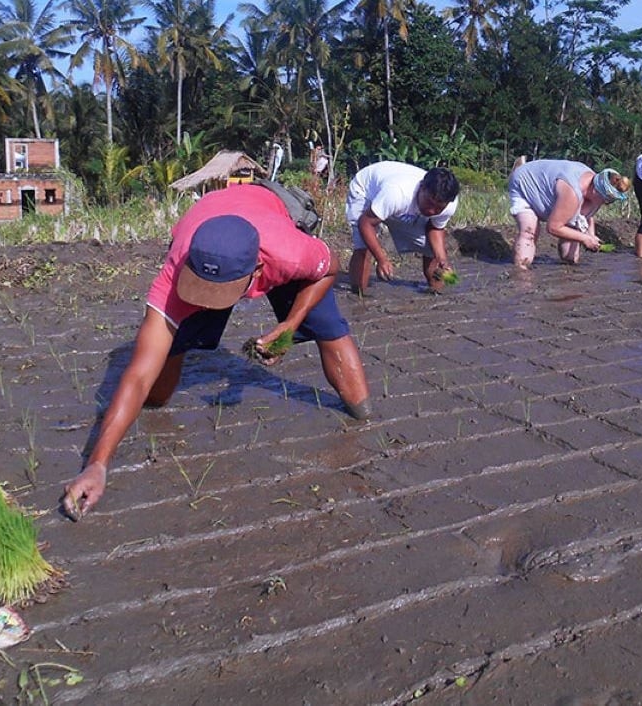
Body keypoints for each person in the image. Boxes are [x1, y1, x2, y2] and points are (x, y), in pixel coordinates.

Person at [60, 184, 371, 520]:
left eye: (217, 293)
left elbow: (330, 267)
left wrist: (292, 323)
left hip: (266, 220)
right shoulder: (177, 272)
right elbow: (136, 377)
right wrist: (98, 464)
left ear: (257, 273)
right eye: (201, 290)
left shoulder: (291, 253)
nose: (206, 299)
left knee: (335, 344)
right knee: (156, 392)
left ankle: (363, 414)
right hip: (210, 225)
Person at [345, 162, 460, 294]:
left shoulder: (449, 204)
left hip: (396, 203)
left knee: (431, 247)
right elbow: (365, 223)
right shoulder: (397, 193)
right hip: (366, 191)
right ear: (421, 187)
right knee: (363, 247)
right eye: (429, 203)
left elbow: (435, 228)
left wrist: (442, 259)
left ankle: (437, 291)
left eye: (439, 208)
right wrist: (381, 258)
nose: (432, 211)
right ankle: (357, 294)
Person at [508, 159, 631, 268]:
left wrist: (591, 234)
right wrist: (584, 238)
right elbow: (553, 227)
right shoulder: (572, 191)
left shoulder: (595, 186)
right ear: (596, 190)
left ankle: (569, 268)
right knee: (530, 230)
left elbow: (587, 215)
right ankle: (521, 274)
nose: (606, 203)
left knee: (572, 240)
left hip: (552, 192)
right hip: (524, 182)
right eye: (607, 199)